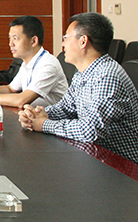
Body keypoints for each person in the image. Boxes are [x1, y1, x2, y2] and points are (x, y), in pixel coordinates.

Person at [19, 13, 138, 163]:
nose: (63, 44)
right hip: (95, 157)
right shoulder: (83, 73)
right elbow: (66, 108)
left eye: (66, 38)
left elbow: (90, 131)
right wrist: (36, 115)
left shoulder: (107, 76)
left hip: (122, 166)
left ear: (83, 41)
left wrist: (43, 124)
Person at [0, 16, 68, 108]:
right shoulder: (27, 61)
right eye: (10, 38)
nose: (11, 43)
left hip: (48, 120)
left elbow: (21, 100)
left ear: (33, 41)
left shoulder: (48, 65)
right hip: (31, 115)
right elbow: (10, 89)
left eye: (15, 38)